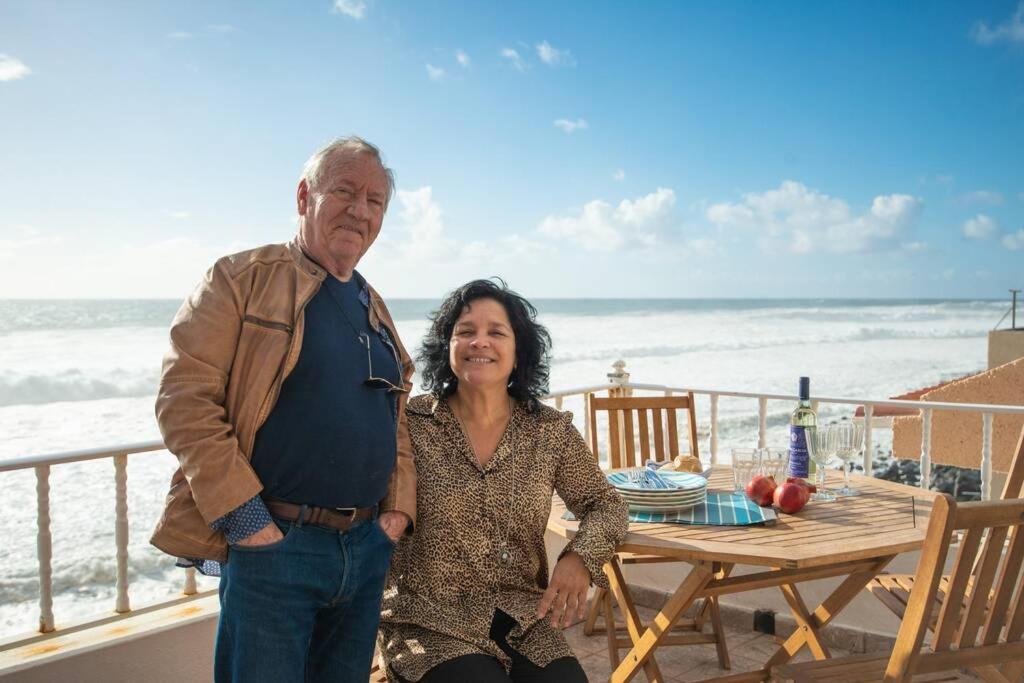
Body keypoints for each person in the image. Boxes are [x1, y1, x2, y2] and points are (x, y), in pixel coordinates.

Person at [150, 136, 416, 682]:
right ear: (304, 196)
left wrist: (395, 518)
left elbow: (397, 422)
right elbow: (185, 400)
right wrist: (248, 523)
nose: (359, 210)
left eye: (375, 201)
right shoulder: (239, 279)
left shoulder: (374, 304)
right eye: (344, 191)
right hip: (276, 547)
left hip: (364, 550)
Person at [379, 279, 628, 682]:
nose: (480, 342)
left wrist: (579, 558)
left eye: (496, 332)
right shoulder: (410, 425)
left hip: (522, 618)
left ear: (518, 351)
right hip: (427, 620)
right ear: (447, 346)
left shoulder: (549, 431)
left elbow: (607, 504)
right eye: (465, 332)